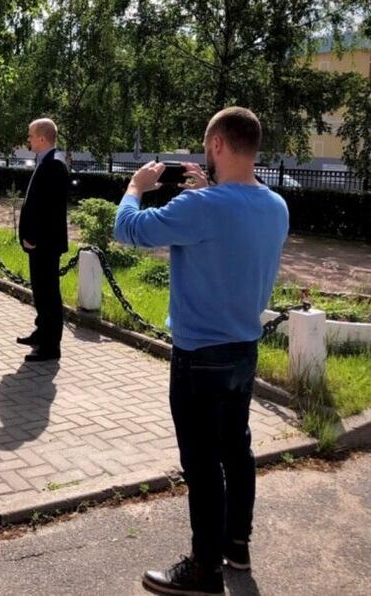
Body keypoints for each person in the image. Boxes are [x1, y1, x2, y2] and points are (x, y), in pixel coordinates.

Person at [114, 107, 289, 596]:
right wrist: (204, 196)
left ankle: (204, 568)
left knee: (202, 463)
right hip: (243, 349)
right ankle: (237, 544)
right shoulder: (276, 205)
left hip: (199, 355)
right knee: (237, 449)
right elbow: (226, 232)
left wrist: (136, 187)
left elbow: (127, 229)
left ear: (215, 145)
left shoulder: (203, 208)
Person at [17, 118, 69, 362]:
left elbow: (50, 210)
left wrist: (34, 238)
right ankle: (41, 333)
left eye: (30, 135)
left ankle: (50, 347)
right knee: (40, 291)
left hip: (45, 244)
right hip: (40, 243)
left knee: (48, 294)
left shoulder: (55, 164)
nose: (28, 139)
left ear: (41, 137)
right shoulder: (47, 161)